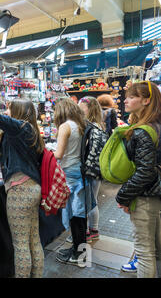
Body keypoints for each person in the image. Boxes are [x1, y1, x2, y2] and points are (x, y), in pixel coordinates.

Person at [0, 98, 45, 278]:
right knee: (33, 239)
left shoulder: (19, 128)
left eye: (10, 109)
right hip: (32, 188)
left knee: (20, 243)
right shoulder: (30, 130)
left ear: (19, 111)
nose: (7, 112)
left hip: (20, 189)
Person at [115, 81, 161, 278]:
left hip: (146, 197)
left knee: (145, 252)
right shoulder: (157, 126)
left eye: (132, 97)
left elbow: (145, 172)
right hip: (156, 194)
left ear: (146, 100)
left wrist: (122, 196)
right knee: (155, 250)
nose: (126, 100)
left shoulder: (143, 131)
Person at [53, 98, 96, 266]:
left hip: (69, 175)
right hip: (79, 172)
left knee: (74, 215)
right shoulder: (79, 125)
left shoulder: (65, 126)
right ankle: (78, 249)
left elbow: (59, 154)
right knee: (79, 215)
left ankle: (79, 253)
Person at [78, 96, 105, 243]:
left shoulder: (89, 127)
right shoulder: (99, 126)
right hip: (98, 169)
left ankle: (86, 232)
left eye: (82, 107)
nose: (80, 110)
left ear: (89, 109)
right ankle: (94, 230)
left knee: (87, 201)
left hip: (89, 169)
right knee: (93, 200)